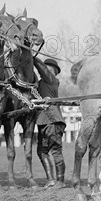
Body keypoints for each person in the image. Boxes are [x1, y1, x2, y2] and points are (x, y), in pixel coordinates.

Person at [34, 57, 67, 189]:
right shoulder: (40, 84)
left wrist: (31, 55)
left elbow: (42, 70)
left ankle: (61, 181)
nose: (45, 70)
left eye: (48, 68)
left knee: (56, 151)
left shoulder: (52, 80)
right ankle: (51, 180)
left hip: (53, 120)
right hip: (43, 121)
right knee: (41, 151)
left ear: (53, 71)